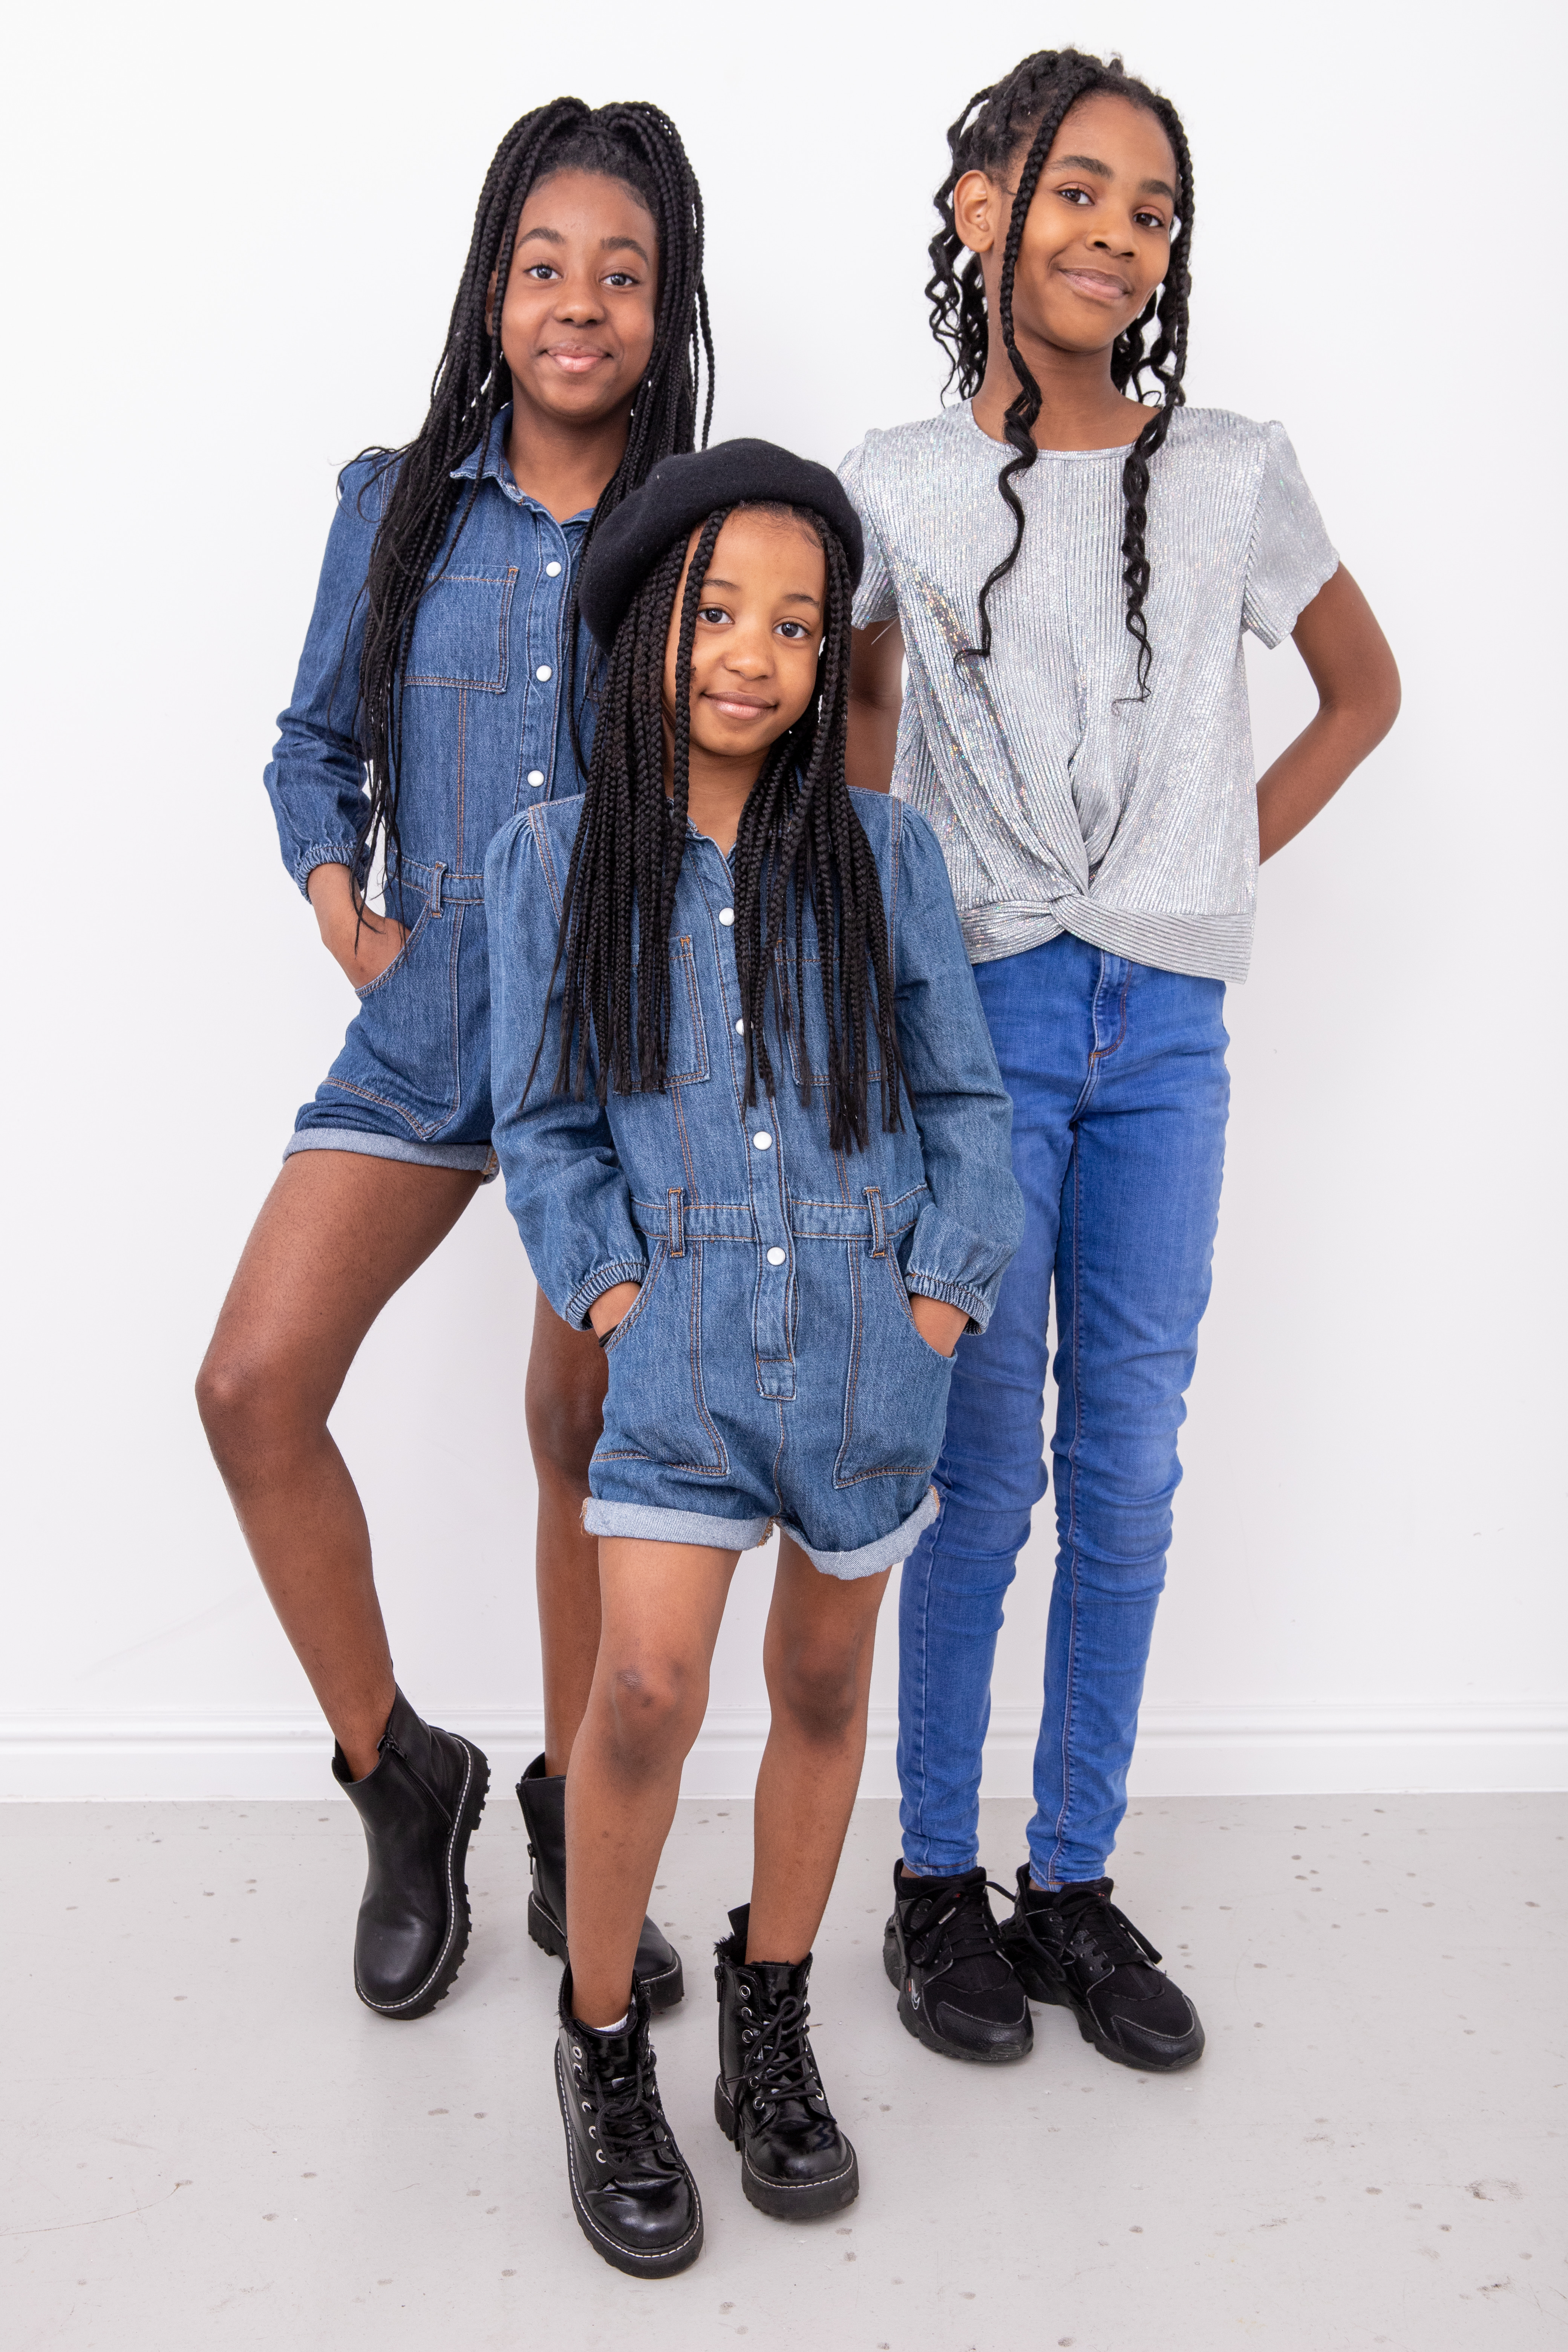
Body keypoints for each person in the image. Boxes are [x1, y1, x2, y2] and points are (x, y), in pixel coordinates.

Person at [841, 48, 1400, 2074]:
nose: (1116, 235)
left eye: (1153, 211)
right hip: (984, 1022)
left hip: (1166, 1023)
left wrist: (1215, 855)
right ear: (984, 201)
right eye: (1079, 190)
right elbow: (867, 774)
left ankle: (1069, 1878)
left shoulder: (1231, 467)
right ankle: (933, 1888)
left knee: (1132, 1465)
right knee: (977, 1472)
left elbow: (1362, 689)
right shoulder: (897, 485)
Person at [194, 98, 713, 2023]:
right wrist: (350, 917)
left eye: (620, 275)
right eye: (544, 267)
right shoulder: (394, 500)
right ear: (495, 289)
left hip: (628, 1050)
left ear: (664, 309)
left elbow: (775, 750)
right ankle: (398, 1776)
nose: (577, 305)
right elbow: (307, 747)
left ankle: (579, 1826)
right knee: (253, 1385)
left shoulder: (697, 527)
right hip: (426, 1029)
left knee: (578, 1441)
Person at [485, 439, 1022, 2274]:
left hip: (872, 1350)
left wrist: (935, 1293)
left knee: (812, 1686)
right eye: (717, 614)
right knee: (641, 1691)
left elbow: (961, 1097)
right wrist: (617, 1294)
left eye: (795, 625)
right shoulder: (552, 861)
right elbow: (547, 1125)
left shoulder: (881, 853)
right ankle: (602, 2043)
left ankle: (770, 2012)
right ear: (647, 626)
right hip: (685, 1349)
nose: (752, 653)